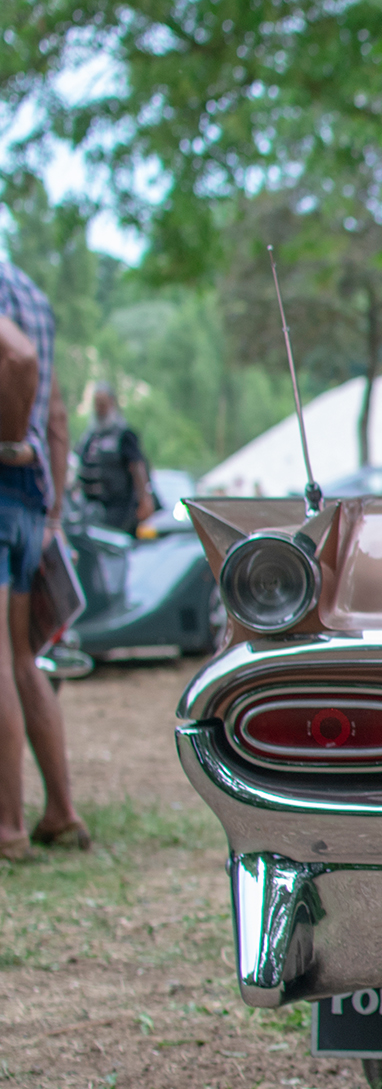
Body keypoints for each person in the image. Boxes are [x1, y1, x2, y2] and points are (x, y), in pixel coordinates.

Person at [0, 262, 86, 857]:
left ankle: (6, 828)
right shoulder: (29, 289)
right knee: (23, 657)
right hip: (30, 495)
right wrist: (51, 512)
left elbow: (19, 359)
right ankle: (60, 810)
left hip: (4, 472)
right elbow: (55, 412)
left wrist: (5, 441)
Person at [78, 384, 153, 535]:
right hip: (92, 509)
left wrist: (145, 499)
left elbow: (137, 465)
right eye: (97, 404)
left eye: (103, 404)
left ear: (112, 403)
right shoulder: (90, 437)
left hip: (120, 509)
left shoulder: (124, 435)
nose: (99, 408)